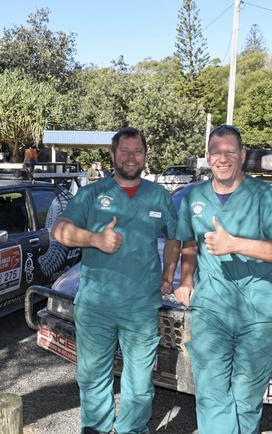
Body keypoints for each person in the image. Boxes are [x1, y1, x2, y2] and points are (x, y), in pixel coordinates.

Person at [52, 127, 180, 434]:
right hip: (96, 303)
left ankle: (132, 429)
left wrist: (168, 274)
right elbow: (59, 230)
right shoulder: (92, 194)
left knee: (139, 379)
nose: (131, 157)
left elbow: (176, 238)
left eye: (137, 151)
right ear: (112, 155)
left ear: (146, 156)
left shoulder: (160, 196)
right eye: (124, 151)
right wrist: (95, 238)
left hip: (141, 305)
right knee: (93, 374)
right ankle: (96, 427)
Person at [173, 125, 272, 434]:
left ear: (242, 155)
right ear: (207, 156)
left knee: (246, 397)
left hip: (259, 313)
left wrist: (236, 244)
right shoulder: (194, 198)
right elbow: (189, 245)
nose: (223, 158)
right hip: (212, 309)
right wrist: (186, 280)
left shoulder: (265, 197)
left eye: (230, 152)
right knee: (212, 393)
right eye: (216, 152)